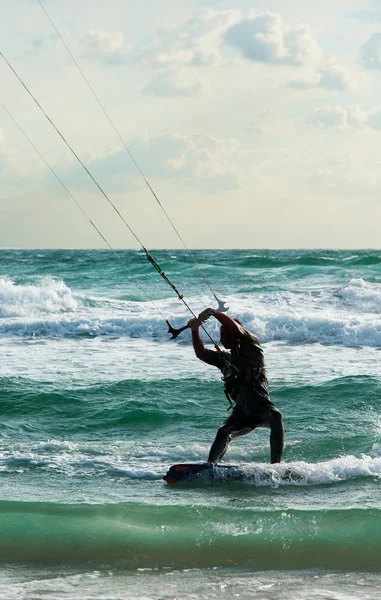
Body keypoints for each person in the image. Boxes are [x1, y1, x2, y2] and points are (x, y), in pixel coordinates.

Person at [188, 308, 284, 465]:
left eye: (226, 333)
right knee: (224, 431)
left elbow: (235, 328)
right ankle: (210, 466)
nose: (222, 338)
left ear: (238, 336)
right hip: (242, 412)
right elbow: (201, 353)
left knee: (276, 416)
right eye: (221, 334)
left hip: (261, 406)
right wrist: (195, 330)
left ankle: (276, 465)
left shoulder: (254, 348)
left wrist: (213, 313)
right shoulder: (223, 359)